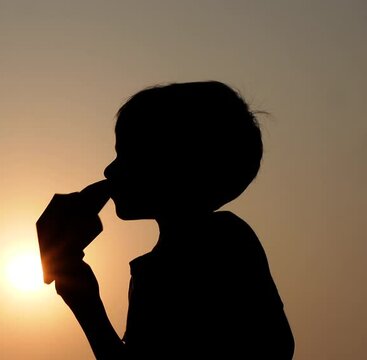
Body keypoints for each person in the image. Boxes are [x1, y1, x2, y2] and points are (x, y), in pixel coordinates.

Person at [39, 81, 295, 359]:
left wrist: (87, 306)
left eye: (127, 155)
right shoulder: (186, 253)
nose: (109, 169)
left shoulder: (220, 243)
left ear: (175, 165)